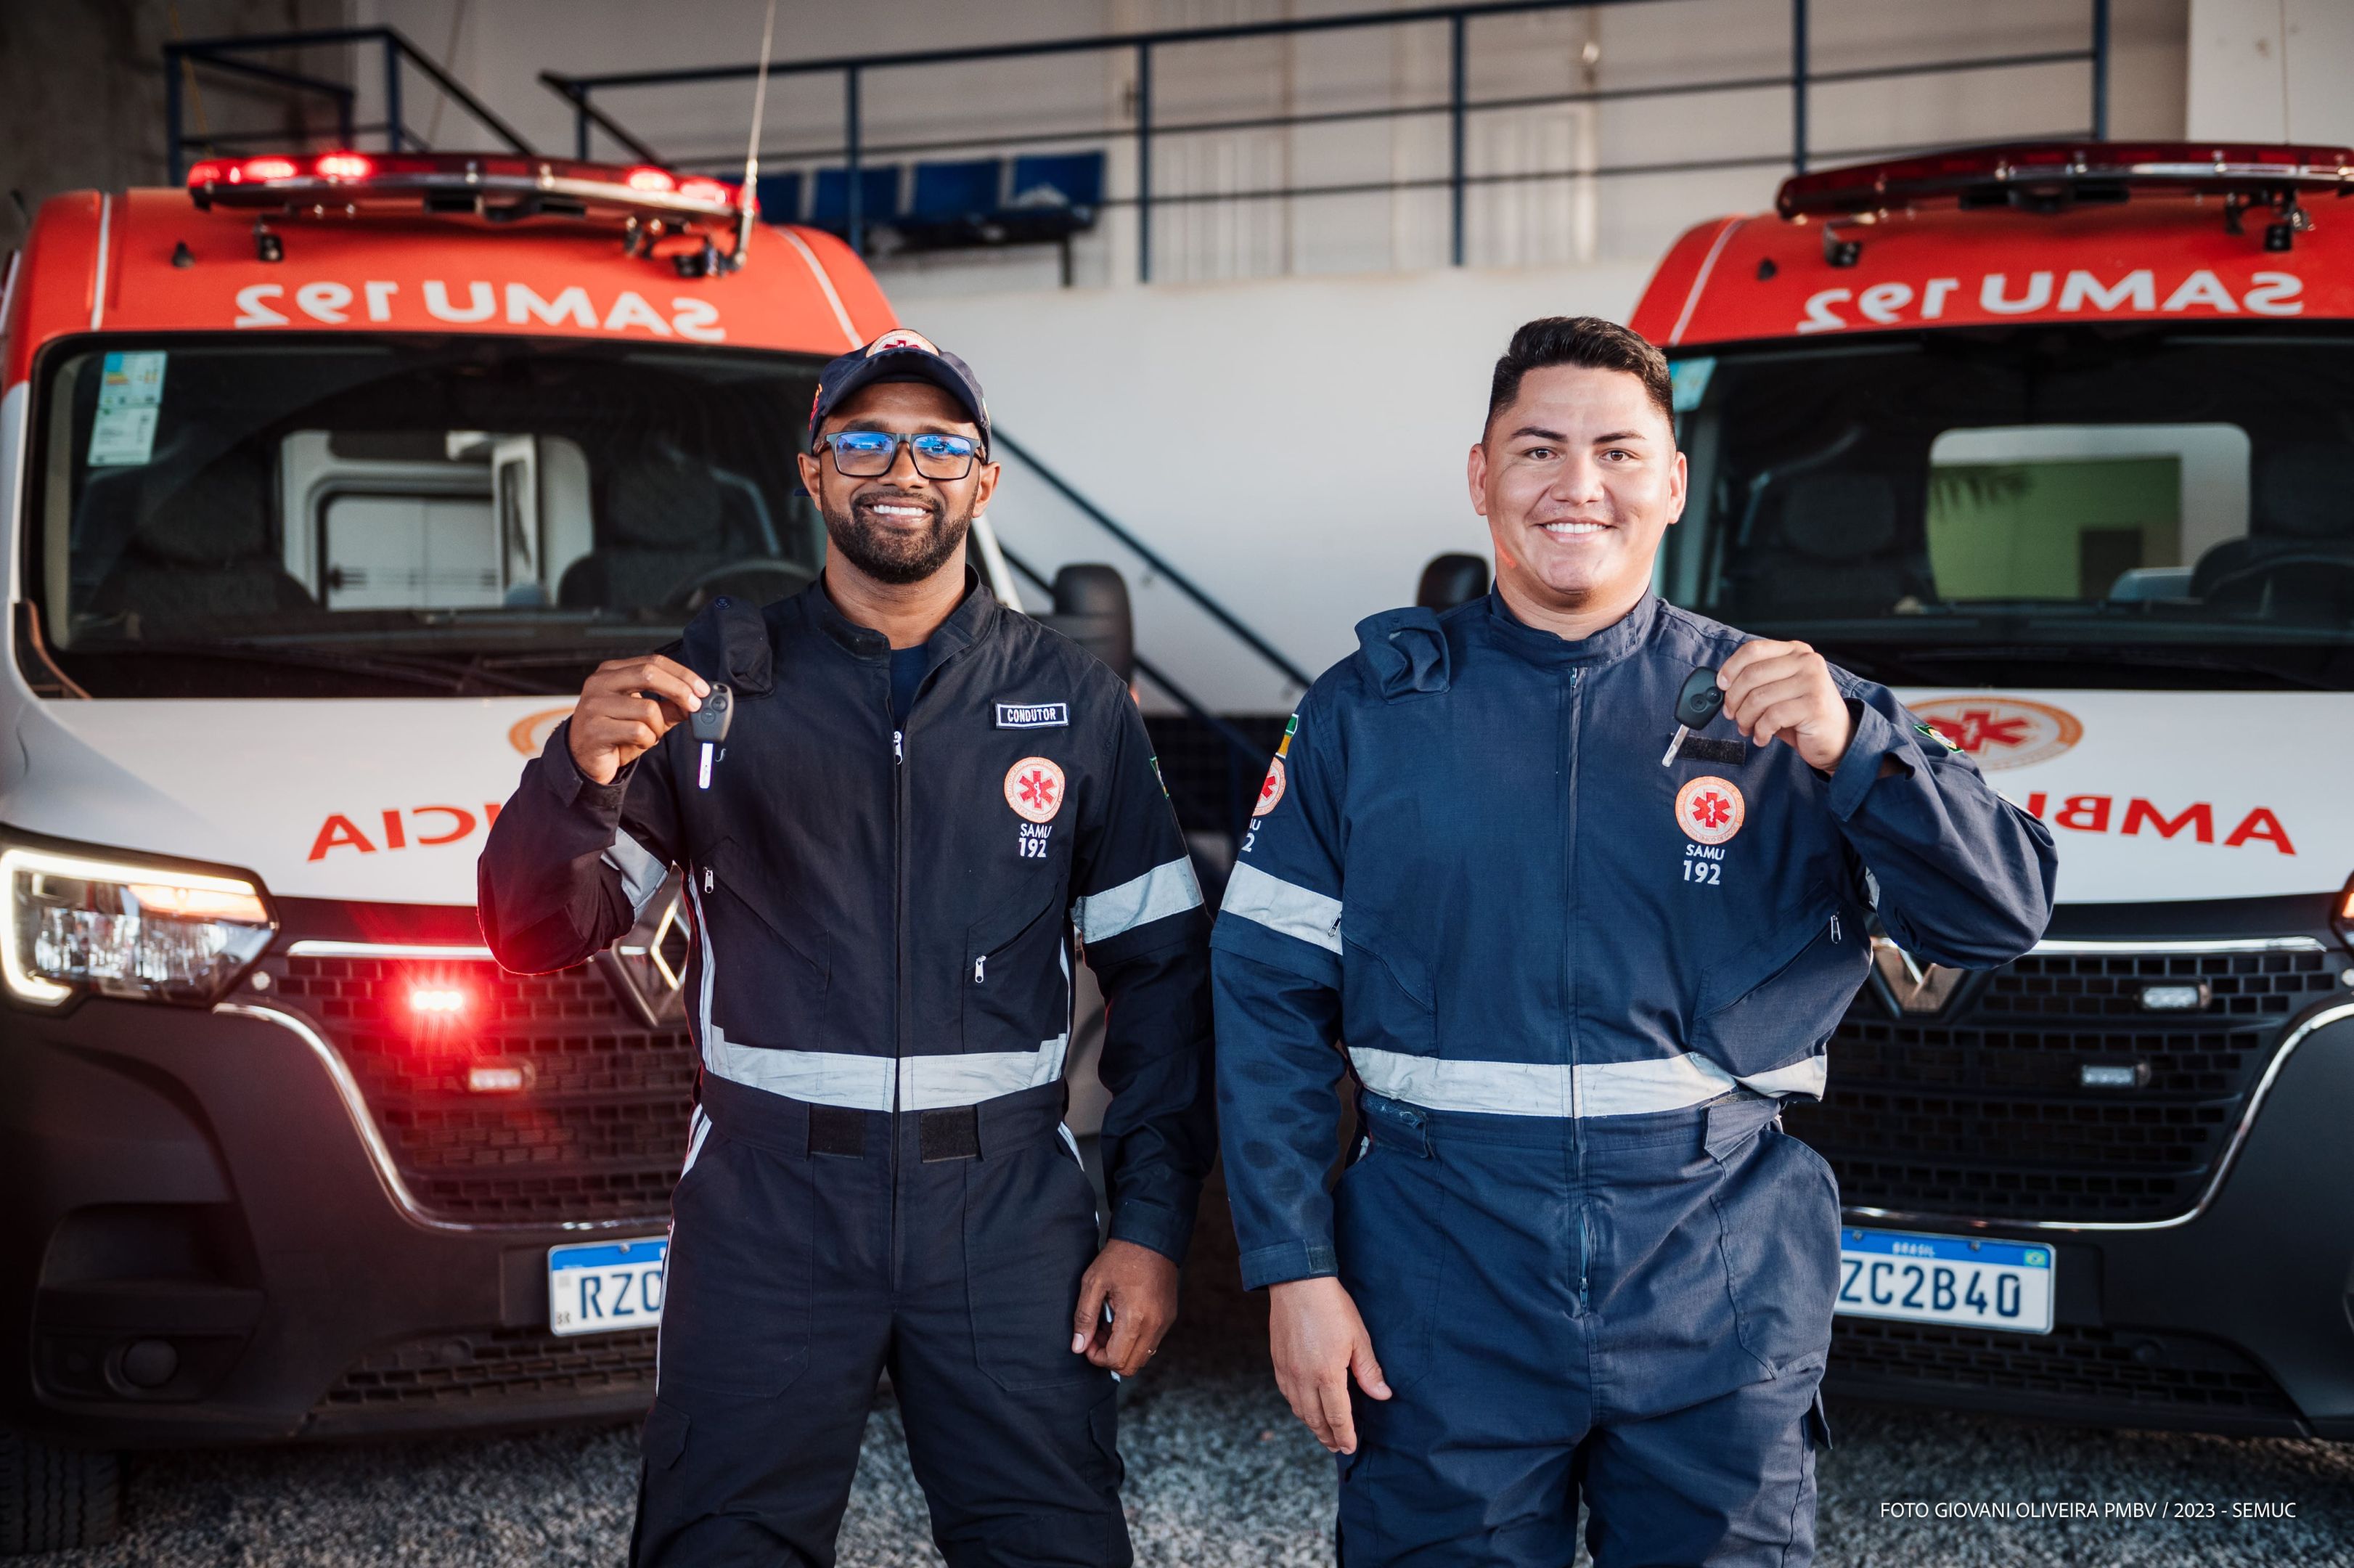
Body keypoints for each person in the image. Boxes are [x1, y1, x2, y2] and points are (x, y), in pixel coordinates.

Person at [1210, 316, 2057, 1567]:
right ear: (1481, 475)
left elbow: (2005, 912)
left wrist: (1859, 749)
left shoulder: (1790, 704)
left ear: (1672, 482)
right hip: (1440, 1269)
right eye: (1539, 449)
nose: (1578, 485)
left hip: (1713, 1263)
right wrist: (1292, 1267)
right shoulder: (1364, 717)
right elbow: (1267, 999)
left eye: (1618, 451)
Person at [478, 328, 1217, 1567]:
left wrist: (1148, 1228)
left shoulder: (1071, 698)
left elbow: (1165, 983)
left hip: (1003, 1210)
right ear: (813, 472)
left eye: (941, 443)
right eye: (865, 439)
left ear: (984, 483)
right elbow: (533, 931)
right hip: (769, 1208)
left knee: (1050, 1545)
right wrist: (576, 777)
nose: (903, 468)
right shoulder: (713, 680)